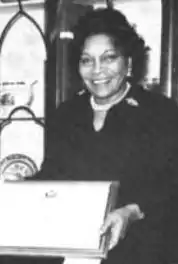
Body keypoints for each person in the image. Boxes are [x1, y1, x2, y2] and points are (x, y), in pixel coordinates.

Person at [30, 7, 178, 264]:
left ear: (129, 62)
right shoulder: (66, 115)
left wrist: (131, 211)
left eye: (109, 58)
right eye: (87, 60)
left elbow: (169, 184)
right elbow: (53, 176)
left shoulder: (161, 112)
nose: (97, 70)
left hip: (141, 248)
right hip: (74, 246)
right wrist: (20, 187)